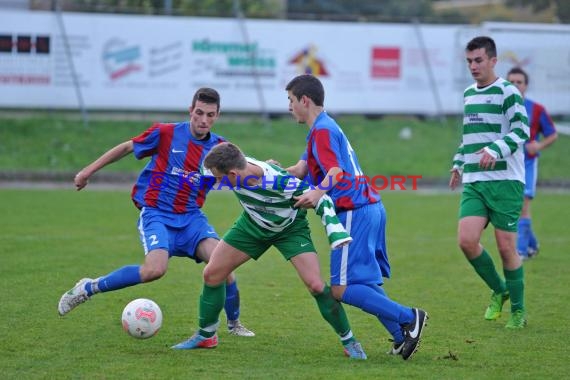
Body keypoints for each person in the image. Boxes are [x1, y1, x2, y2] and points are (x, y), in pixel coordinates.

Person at [57, 88, 254, 337]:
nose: (204, 120)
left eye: (210, 115)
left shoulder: (218, 148)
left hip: (192, 218)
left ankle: (234, 324)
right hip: (157, 214)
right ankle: (88, 287)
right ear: (190, 110)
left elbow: (244, 170)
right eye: (199, 113)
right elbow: (127, 148)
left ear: (217, 116)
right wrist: (88, 171)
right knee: (154, 270)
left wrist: (270, 171)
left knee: (223, 265)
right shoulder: (166, 133)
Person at [172, 142, 368, 359]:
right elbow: (209, 168)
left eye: (220, 178)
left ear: (235, 174)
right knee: (212, 273)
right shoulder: (234, 166)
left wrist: (335, 232)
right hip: (252, 225)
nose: (217, 183)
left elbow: (321, 198)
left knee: (316, 285)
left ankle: (350, 341)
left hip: (290, 230)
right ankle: (206, 335)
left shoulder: (279, 182)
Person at [282, 74, 428, 360]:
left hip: (353, 212)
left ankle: (410, 317)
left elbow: (335, 173)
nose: (288, 106)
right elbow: (301, 169)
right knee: (366, 284)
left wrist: (317, 194)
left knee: (340, 288)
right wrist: (272, 173)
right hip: (370, 208)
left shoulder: (322, 132)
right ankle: (401, 336)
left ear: (305, 100)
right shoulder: (322, 128)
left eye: (290, 100)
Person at [449, 36, 529, 329]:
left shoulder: (508, 92)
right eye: (469, 61)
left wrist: (495, 149)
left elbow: (522, 131)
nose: (473, 66)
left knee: (507, 248)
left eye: (478, 60)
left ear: (493, 61)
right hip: (475, 179)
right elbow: (469, 137)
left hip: (506, 180)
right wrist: (459, 163)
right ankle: (500, 288)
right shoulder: (469, 93)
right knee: (466, 241)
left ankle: (518, 311)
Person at [506, 67, 558, 260]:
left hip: (527, 165)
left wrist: (539, 145)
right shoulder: (500, 108)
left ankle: (520, 252)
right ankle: (532, 245)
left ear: (525, 85)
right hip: (508, 166)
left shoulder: (536, 109)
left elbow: (552, 134)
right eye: (511, 82)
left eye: (519, 82)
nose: (515, 85)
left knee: (523, 206)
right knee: (513, 207)